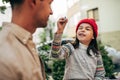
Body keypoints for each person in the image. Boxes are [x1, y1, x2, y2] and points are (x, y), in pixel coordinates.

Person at [0, 0, 53, 80]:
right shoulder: (5, 54)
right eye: (49, 3)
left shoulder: (24, 43)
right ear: (33, 1)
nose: (51, 11)